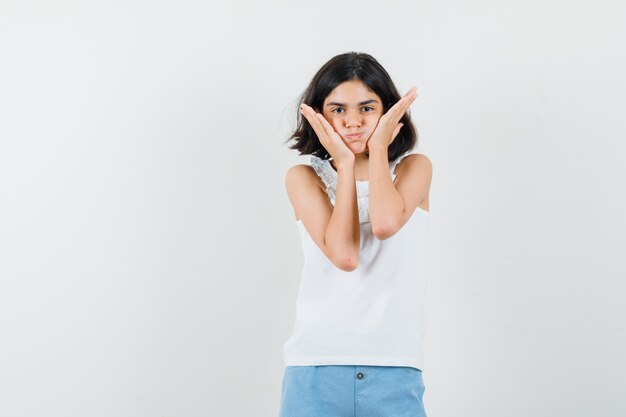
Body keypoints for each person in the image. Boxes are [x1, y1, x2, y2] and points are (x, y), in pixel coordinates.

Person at [280, 51, 433, 417]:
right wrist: (345, 166)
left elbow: (384, 223)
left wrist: (378, 148)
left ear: (388, 111)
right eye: (338, 110)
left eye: (367, 108)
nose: (353, 122)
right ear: (319, 115)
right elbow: (345, 255)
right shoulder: (303, 178)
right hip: (316, 365)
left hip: (394, 364)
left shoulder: (414, 168)